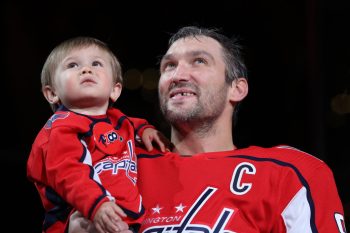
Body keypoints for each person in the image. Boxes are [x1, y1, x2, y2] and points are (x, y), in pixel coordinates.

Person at [70, 26, 347, 233]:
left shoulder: (289, 173)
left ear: (236, 88)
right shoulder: (117, 165)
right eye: (169, 66)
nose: (177, 75)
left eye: (199, 61)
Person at [27, 36, 169, 233]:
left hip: (121, 218)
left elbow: (130, 123)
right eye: (73, 65)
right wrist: (97, 205)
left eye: (96, 63)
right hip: (80, 217)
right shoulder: (60, 129)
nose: (86, 69)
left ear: (115, 89)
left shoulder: (116, 120)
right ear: (52, 93)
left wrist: (145, 129)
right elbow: (69, 174)